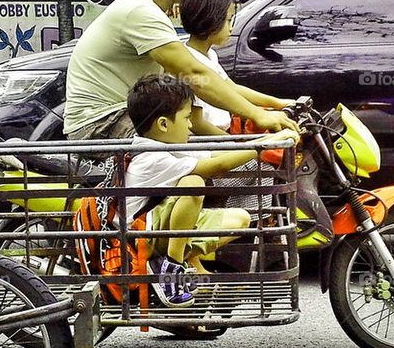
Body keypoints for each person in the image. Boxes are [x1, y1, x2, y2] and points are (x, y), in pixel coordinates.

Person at [64, 0, 298, 141]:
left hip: (115, 115)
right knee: (189, 155)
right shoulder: (140, 11)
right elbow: (194, 75)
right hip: (100, 123)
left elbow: (215, 81)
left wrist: (273, 105)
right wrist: (257, 116)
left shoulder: (142, 7)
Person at [124, 75, 299, 307]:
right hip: (137, 240)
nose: (190, 125)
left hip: (157, 230)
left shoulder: (169, 146)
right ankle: (172, 268)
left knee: (242, 218)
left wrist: (264, 139)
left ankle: (169, 262)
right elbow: (218, 166)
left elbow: (218, 155)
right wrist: (267, 143)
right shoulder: (151, 157)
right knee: (193, 183)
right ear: (163, 125)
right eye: (186, 118)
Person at [179, 0, 294, 134]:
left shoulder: (209, 55)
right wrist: (235, 145)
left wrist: (277, 103)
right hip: (208, 144)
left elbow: (232, 88)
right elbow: (196, 123)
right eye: (228, 20)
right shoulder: (190, 60)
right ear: (211, 20)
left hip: (222, 137)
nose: (231, 27)